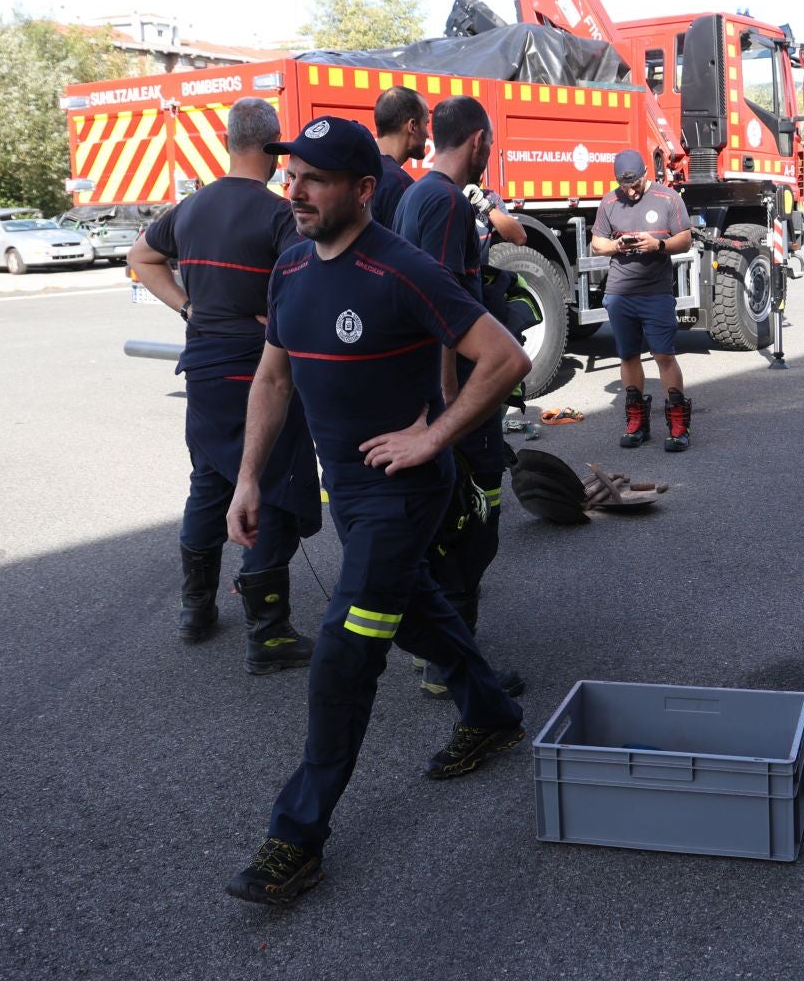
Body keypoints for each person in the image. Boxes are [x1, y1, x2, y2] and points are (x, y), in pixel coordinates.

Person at [224, 115, 531, 905]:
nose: (295, 191)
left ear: (363, 190)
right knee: (413, 613)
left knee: (345, 651)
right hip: (350, 494)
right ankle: (490, 710)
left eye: (316, 179)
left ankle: (296, 837)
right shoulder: (290, 268)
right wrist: (248, 479)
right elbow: (272, 379)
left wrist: (434, 436)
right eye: (292, 176)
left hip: (402, 495)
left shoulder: (403, 270)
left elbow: (505, 358)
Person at [127, 97, 321, 673]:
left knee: (210, 482)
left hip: (204, 369)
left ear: (228, 143)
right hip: (259, 371)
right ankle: (270, 633)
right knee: (269, 485)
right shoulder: (278, 213)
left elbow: (142, 257)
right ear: (272, 147)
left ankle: (195, 609)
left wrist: (190, 310)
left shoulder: (190, 208)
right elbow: (304, 283)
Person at [393, 96, 525, 700]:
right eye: (490, 145)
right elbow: (443, 310)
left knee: (453, 531)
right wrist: (450, 407)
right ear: (477, 141)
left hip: (443, 399)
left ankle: (441, 657)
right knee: (475, 531)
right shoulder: (446, 202)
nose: (489, 155)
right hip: (463, 407)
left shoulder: (419, 194)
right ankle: (454, 668)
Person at [589, 149, 694, 451]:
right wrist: (615, 245)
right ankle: (637, 422)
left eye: (635, 184)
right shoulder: (609, 202)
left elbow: (685, 239)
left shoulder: (668, 199)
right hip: (620, 293)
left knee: (663, 355)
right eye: (625, 186)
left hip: (656, 292)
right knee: (628, 356)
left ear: (646, 173)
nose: (631, 191)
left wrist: (658, 244)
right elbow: (597, 244)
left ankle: (678, 424)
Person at [369, 85, 429, 228]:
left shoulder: (355, 168)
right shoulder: (399, 184)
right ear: (412, 126)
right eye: (426, 123)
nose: (427, 134)